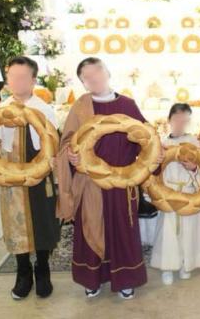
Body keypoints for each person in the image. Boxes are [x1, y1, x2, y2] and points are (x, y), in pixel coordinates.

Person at [56, 57, 164, 300]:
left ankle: (125, 279)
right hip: (90, 182)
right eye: (88, 77)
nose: (95, 79)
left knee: (123, 231)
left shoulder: (128, 105)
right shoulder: (80, 107)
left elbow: (145, 138)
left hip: (123, 183)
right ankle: (92, 279)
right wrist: (71, 157)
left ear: (108, 73)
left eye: (98, 73)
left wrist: (154, 159)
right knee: (89, 231)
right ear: (83, 83)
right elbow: (66, 143)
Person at [0, 56, 60, 300]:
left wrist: (52, 164)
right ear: (7, 80)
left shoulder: (44, 110)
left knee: (43, 222)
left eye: (23, 77)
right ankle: (23, 273)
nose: (17, 82)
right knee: (14, 225)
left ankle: (42, 271)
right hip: (10, 174)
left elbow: (53, 145)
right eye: (13, 77)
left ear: (33, 80)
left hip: (40, 174)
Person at [150, 103, 200, 285]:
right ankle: (167, 266)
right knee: (167, 232)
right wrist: (158, 162)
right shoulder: (161, 143)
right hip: (169, 192)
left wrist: (193, 168)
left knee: (189, 231)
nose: (181, 123)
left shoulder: (194, 143)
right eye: (177, 119)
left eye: (185, 119)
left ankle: (186, 264)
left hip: (189, 193)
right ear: (169, 120)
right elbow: (152, 171)